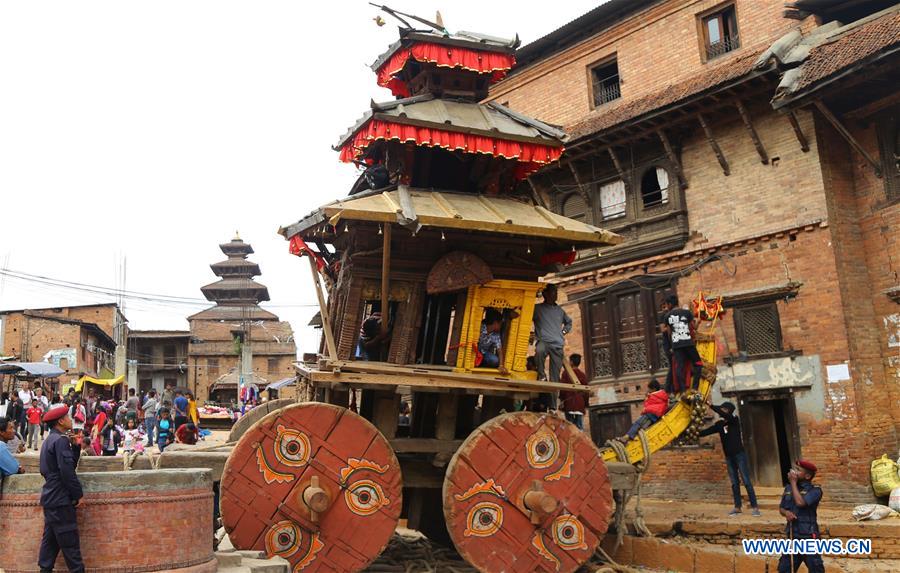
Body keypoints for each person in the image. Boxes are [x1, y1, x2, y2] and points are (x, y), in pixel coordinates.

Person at [38, 404, 85, 573]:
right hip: (60, 499)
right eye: (67, 417)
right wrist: (78, 494)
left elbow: (63, 466)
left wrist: (76, 447)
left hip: (50, 497)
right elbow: (67, 472)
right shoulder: (60, 440)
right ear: (60, 421)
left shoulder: (50, 440)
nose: (70, 419)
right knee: (70, 544)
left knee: (50, 541)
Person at [699, 402, 761, 516]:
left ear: (728, 411)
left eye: (723, 409)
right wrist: (693, 432)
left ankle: (755, 507)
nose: (721, 411)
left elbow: (723, 414)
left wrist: (711, 405)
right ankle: (737, 507)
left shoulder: (734, 421)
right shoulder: (720, 424)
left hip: (739, 455)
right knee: (734, 483)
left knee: (746, 481)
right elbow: (706, 432)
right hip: (729, 456)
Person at [778, 460, 824, 573]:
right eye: (795, 468)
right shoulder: (788, 488)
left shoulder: (815, 490)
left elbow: (800, 503)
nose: (794, 471)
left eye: (798, 470)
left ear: (807, 476)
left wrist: (793, 482)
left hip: (808, 537)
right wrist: (786, 513)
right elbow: (781, 508)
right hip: (792, 536)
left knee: (815, 569)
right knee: (784, 569)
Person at [660, 294, 703, 395]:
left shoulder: (667, 316)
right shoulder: (687, 313)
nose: (666, 306)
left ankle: (683, 391)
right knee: (698, 365)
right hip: (688, 343)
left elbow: (669, 333)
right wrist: (698, 322)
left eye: (666, 304)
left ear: (670, 304)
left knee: (679, 367)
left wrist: (672, 346)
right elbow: (694, 327)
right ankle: (695, 388)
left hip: (676, 345)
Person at [532, 284, 572, 385]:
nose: (555, 295)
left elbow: (569, 323)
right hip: (544, 342)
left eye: (556, 293)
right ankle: (542, 375)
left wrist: (562, 332)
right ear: (545, 294)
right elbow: (525, 319)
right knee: (539, 350)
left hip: (557, 345)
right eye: (553, 292)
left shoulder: (560, 311)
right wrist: (530, 334)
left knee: (555, 378)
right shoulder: (537, 309)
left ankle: (553, 399)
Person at [559, 354, 588, 430]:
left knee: (570, 429)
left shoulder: (566, 373)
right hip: (580, 405)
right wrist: (585, 404)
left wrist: (561, 400)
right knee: (579, 429)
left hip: (569, 404)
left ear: (571, 362)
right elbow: (585, 392)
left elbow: (563, 389)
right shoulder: (583, 375)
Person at [478, 309, 509, 375]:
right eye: (500, 323)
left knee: (495, 361)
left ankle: (481, 363)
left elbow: (499, 350)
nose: (501, 326)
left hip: (484, 353)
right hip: (474, 352)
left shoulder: (496, 334)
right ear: (495, 323)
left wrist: (501, 365)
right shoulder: (480, 327)